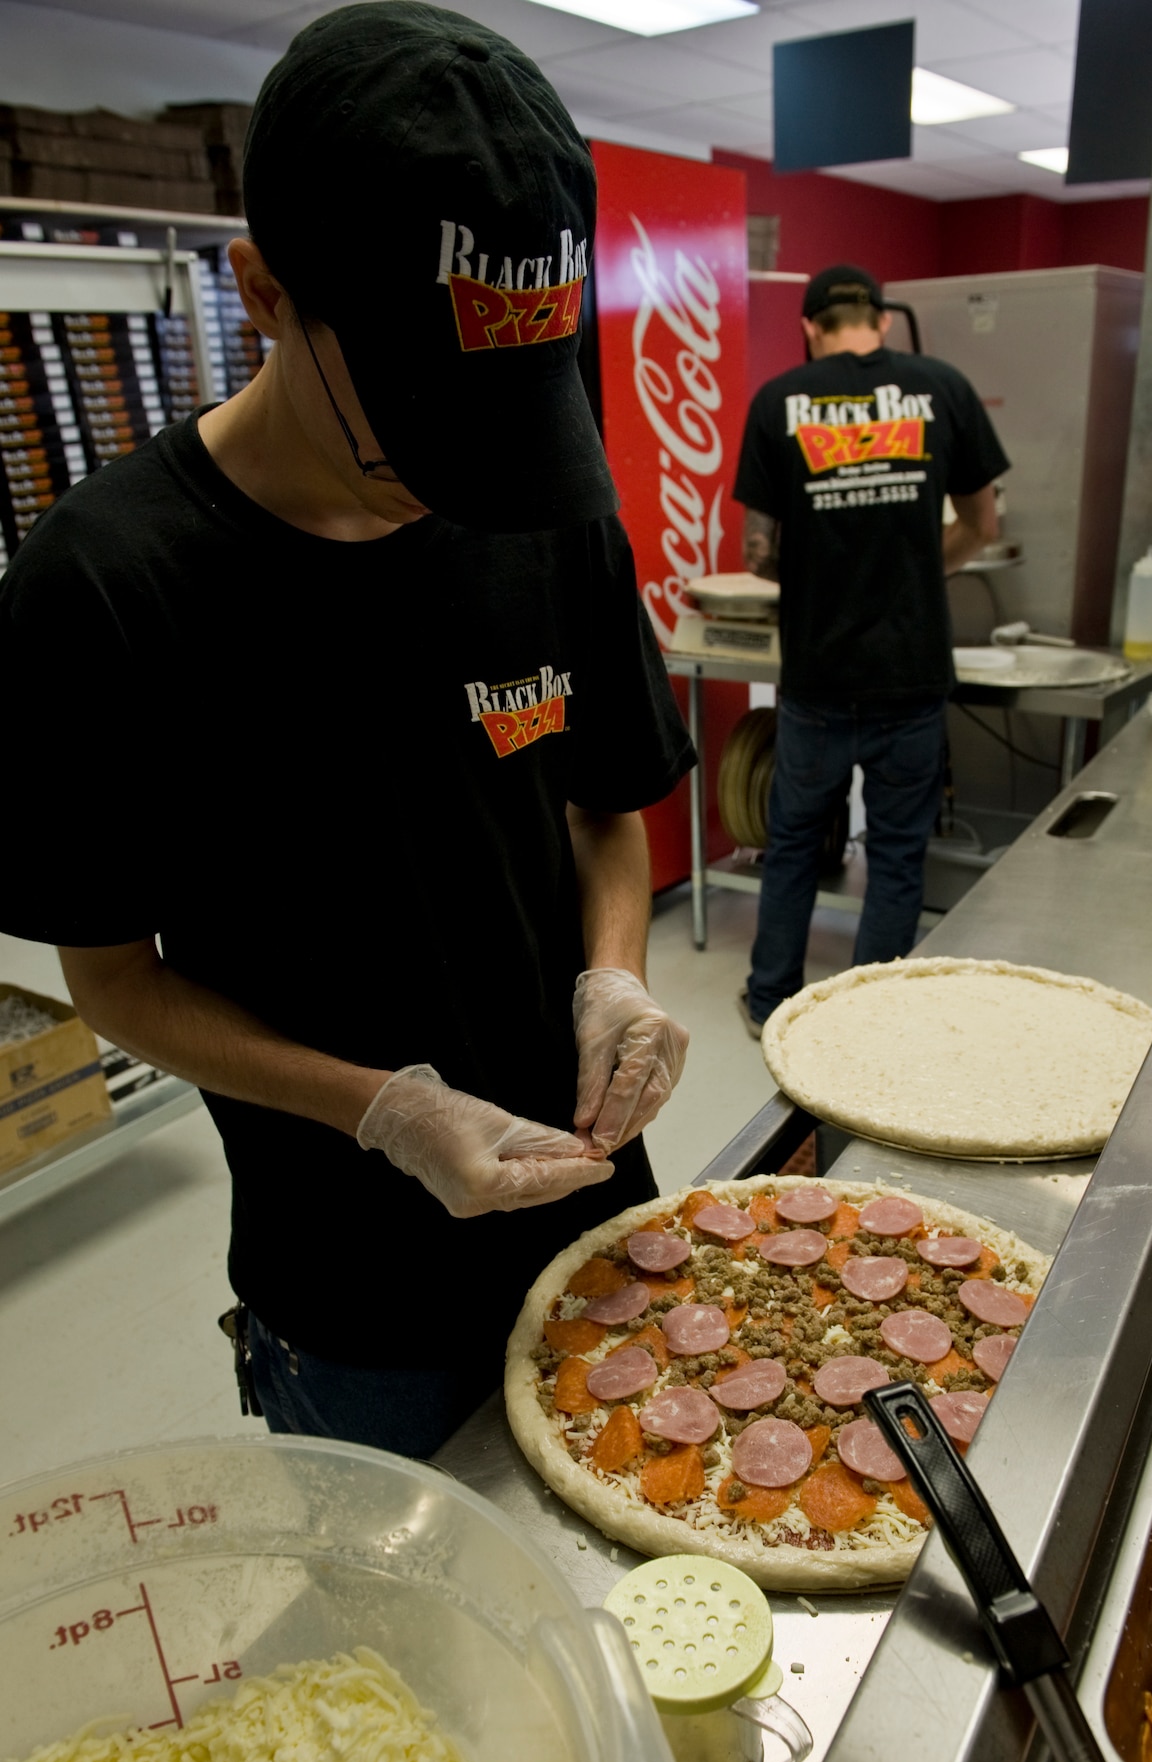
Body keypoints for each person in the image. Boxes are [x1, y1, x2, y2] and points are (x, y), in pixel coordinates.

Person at [0, 3, 694, 1457]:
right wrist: (378, 1108)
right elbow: (114, 978)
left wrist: (613, 982)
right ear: (261, 289)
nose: (455, 491)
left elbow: (603, 811)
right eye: (416, 428)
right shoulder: (107, 587)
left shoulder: (541, 507)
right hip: (358, 1297)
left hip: (594, 1209)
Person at [733, 265, 1008, 1034]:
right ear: (881, 321)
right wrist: (925, 564)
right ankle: (865, 1020)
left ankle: (769, 1004)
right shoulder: (942, 387)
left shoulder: (777, 399)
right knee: (894, 856)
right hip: (910, 675)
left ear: (808, 327)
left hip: (817, 679)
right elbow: (983, 524)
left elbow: (757, 551)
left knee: (789, 849)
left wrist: (820, 574)